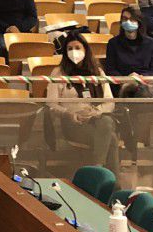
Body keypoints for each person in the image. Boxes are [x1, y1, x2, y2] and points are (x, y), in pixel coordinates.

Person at [46, 32, 119, 171]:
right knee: (112, 138)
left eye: (77, 48)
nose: (74, 52)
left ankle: (98, 169)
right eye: (70, 48)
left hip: (96, 121)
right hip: (73, 123)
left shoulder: (97, 72)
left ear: (85, 49)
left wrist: (95, 111)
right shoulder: (58, 73)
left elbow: (110, 102)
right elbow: (51, 104)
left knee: (106, 123)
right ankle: (105, 174)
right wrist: (69, 114)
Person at [103, 5, 153, 155]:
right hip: (122, 87)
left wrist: (139, 78)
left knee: (141, 95)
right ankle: (134, 142)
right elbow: (110, 70)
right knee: (134, 101)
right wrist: (127, 79)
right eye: (124, 19)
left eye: (132, 19)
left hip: (144, 86)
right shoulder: (113, 43)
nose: (128, 22)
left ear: (139, 22)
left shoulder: (151, 43)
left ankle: (134, 140)